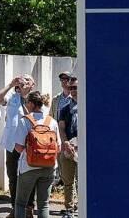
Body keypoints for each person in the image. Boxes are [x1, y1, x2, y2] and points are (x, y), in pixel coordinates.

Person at [13, 92, 61, 218]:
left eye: (26, 102)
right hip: (49, 167)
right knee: (44, 204)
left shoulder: (25, 121)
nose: (26, 105)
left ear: (31, 103)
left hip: (28, 167)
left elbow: (19, 147)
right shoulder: (52, 121)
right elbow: (59, 147)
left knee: (20, 203)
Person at [0, 74, 35, 213]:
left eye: (27, 80)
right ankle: (15, 206)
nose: (24, 81)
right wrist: (11, 85)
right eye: (22, 79)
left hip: (29, 144)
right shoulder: (12, 97)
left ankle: (29, 206)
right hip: (12, 143)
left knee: (29, 175)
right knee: (12, 175)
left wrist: (25, 95)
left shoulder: (35, 98)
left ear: (33, 85)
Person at [57, 77, 79, 218]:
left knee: (83, 180)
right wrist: (65, 142)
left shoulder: (88, 105)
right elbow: (61, 127)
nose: (72, 90)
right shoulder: (65, 108)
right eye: (70, 88)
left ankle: (83, 208)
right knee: (68, 181)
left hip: (83, 148)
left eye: (75, 87)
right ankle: (69, 209)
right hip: (68, 147)